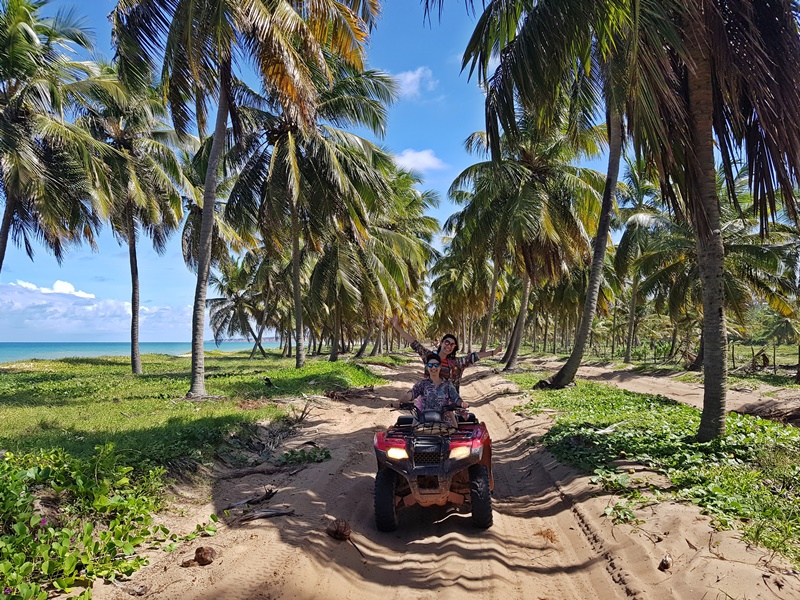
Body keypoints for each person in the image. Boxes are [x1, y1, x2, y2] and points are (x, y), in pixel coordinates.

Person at [390, 315, 502, 391]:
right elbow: (414, 343)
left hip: (449, 404)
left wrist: (493, 352)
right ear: (442, 343)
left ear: (454, 348)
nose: (448, 346)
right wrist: (396, 326)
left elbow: (474, 356)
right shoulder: (429, 356)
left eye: (452, 345)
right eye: (447, 342)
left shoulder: (457, 363)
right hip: (428, 400)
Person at [403, 353, 466, 426]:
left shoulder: (448, 385)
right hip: (425, 424)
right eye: (430, 365)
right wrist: (400, 401)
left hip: (445, 425)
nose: (433, 367)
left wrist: (462, 403)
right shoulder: (422, 384)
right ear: (427, 367)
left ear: (440, 366)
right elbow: (411, 394)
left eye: (436, 365)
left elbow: (456, 398)